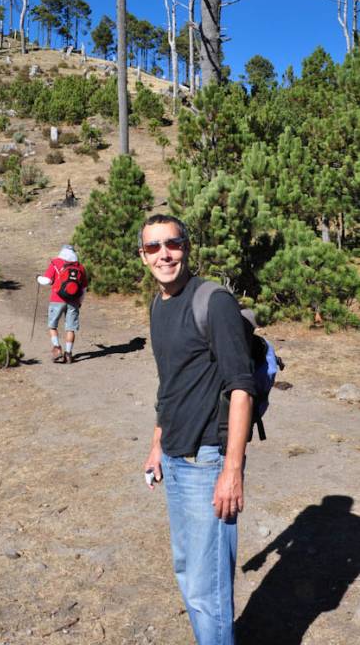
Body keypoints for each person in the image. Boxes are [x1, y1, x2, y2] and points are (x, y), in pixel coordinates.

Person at [139, 214, 256, 645]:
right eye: (154, 247)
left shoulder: (213, 302)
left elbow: (241, 388)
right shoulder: (159, 305)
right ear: (143, 256)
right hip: (175, 456)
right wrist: (157, 445)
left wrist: (232, 470)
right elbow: (169, 383)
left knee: (209, 591)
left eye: (172, 244)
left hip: (208, 461)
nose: (164, 254)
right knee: (189, 572)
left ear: (187, 247)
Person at [37, 244, 87, 364]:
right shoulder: (80, 267)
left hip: (56, 299)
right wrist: (80, 302)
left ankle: (57, 348)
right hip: (74, 301)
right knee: (70, 328)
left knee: (52, 325)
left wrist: (38, 278)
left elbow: (47, 280)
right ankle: (68, 354)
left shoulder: (55, 262)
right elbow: (84, 288)